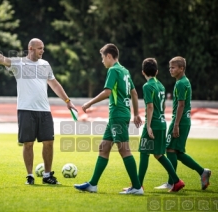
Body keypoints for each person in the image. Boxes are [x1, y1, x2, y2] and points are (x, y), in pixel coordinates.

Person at [0, 38, 77, 185]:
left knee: (49, 142)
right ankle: (30, 176)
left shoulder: (45, 65)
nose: (42, 50)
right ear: (30, 48)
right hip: (25, 110)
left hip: (44, 110)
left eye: (43, 48)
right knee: (28, 143)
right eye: (39, 48)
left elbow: (54, 84)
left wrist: (67, 101)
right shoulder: (19, 63)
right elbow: (3, 59)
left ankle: (47, 175)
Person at [74, 43, 143, 194]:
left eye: (102, 58)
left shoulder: (113, 70)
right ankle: (93, 184)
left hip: (118, 115)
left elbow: (107, 92)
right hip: (118, 115)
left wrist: (89, 103)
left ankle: (137, 187)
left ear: (109, 56)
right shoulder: (125, 71)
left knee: (124, 150)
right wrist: (136, 114)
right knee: (104, 148)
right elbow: (135, 93)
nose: (102, 61)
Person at [124, 58, 184, 192]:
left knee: (144, 153)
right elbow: (162, 105)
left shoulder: (147, 86)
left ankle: (137, 185)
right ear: (156, 72)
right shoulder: (161, 85)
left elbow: (150, 107)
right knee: (158, 154)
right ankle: (176, 181)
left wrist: (148, 126)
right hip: (162, 123)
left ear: (142, 72)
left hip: (154, 124)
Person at [155, 56, 211, 190]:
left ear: (182, 68)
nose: (170, 70)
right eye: (170, 67)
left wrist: (175, 125)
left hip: (179, 121)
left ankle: (172, 182)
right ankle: (202, 172)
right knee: (177, 152)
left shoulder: (180, 84)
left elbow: (181, 105)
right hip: (184, 121)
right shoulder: (184, 81)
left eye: (173, 67)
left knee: (169, 149)